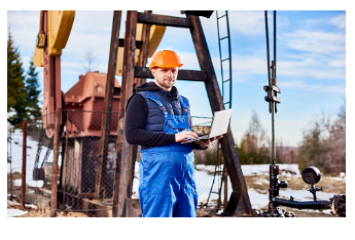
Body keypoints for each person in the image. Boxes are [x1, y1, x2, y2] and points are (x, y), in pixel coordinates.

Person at [125, 50, 222, 218]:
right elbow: (132, 134)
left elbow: (183, 138)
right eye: (165, 70)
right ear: (153, 71)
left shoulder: (184, 102)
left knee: (186, 217)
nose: (170, 74)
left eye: (174, 70)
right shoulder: (140, 99)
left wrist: (199, 144)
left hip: (186, 172)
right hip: (158, 173)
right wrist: (173, 137)